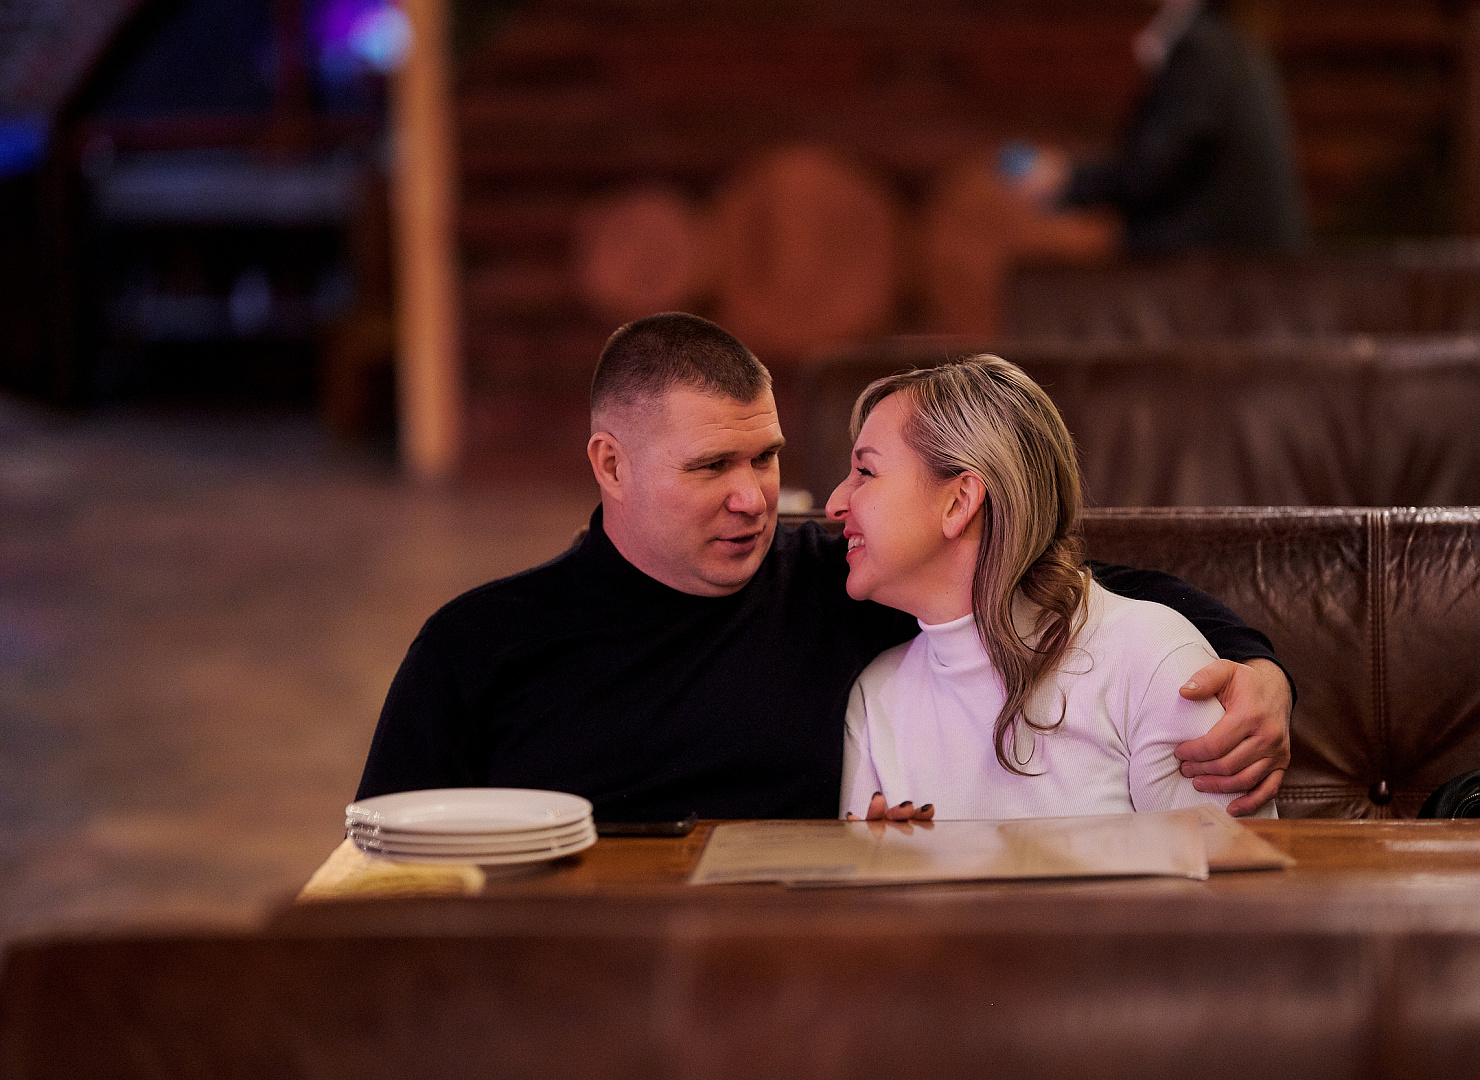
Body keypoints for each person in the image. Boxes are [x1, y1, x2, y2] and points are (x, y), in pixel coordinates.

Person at [356, 313, 1292, 821]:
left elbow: (1058, 580)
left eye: (765, 457)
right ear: (611, 465)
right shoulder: (479, 646)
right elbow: (381, 869)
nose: (754, 498)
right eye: (711, 467)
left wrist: (1256, 664)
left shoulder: (835, 582)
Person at [835, 355, 1274, 820]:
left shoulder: (1152, 660)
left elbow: (1237, 865)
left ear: (959, 502)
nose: (835, 503)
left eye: (865, 472)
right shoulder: (875, 696)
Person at [1006, 0, 1305, 256]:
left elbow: (1152, 168)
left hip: (1219, 276)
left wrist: (1068, 180)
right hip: (1239, 273)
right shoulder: (1227, 42)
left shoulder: (1203, 49)